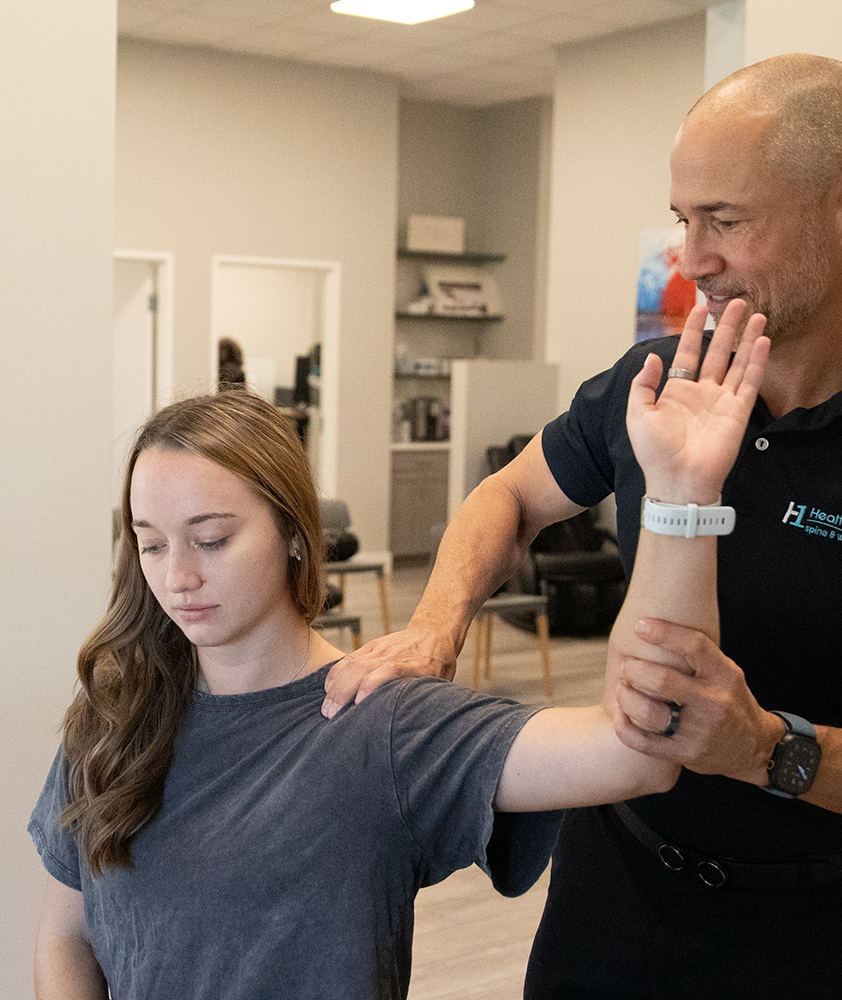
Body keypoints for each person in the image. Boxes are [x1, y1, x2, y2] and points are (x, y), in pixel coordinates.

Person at [323, 53, 842, 998]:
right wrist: (435, 628)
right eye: (683, 219)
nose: (693, 258)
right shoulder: (651, 382)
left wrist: (771, 748)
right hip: (608, 891)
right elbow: (505, 498)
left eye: (726, 220)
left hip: (806, 933)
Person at [28, 306, 768, 1000]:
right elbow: (67, 933)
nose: (177, 577)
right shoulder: (117, 714)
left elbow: (638, 755)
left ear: (294, 535)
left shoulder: (379, 724)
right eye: (152, 544)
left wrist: (681, 499)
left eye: (212, 539)